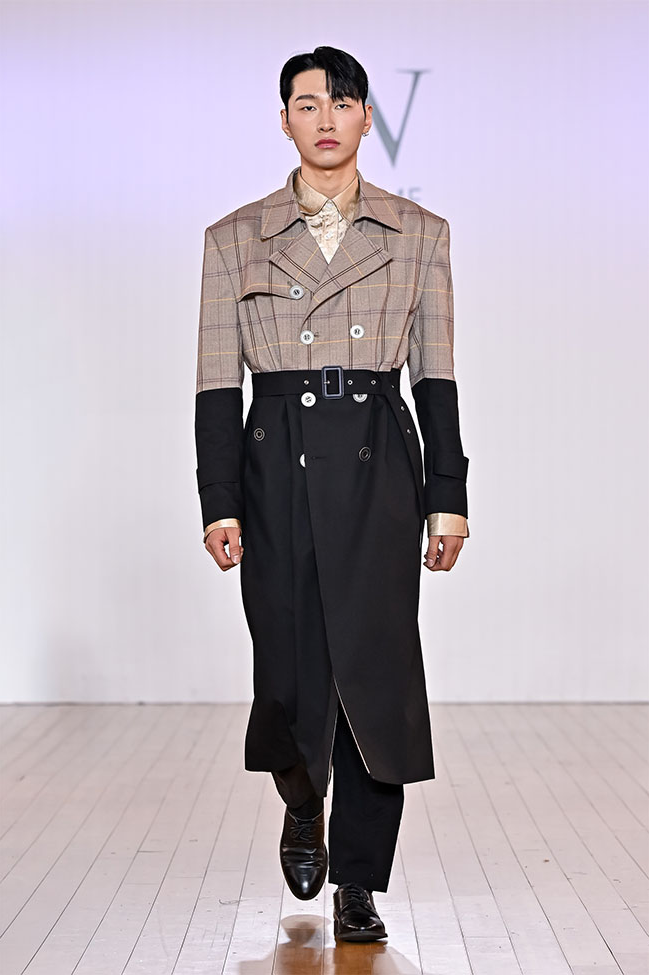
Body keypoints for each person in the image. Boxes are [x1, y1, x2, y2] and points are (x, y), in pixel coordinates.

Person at [194, 45, 470, 943]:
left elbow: (437, 378)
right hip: (274, 461)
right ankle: (302, 796)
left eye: (341, 102)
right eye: (307, 104)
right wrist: (219, 499)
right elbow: (215, 384)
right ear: (284, 121)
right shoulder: (233, 236)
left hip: (378, 461)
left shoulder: (419, 233)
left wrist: (448, 495)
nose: (324, 118)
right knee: (287, 664)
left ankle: (358, 879)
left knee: (374, 668)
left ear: (365, 118)